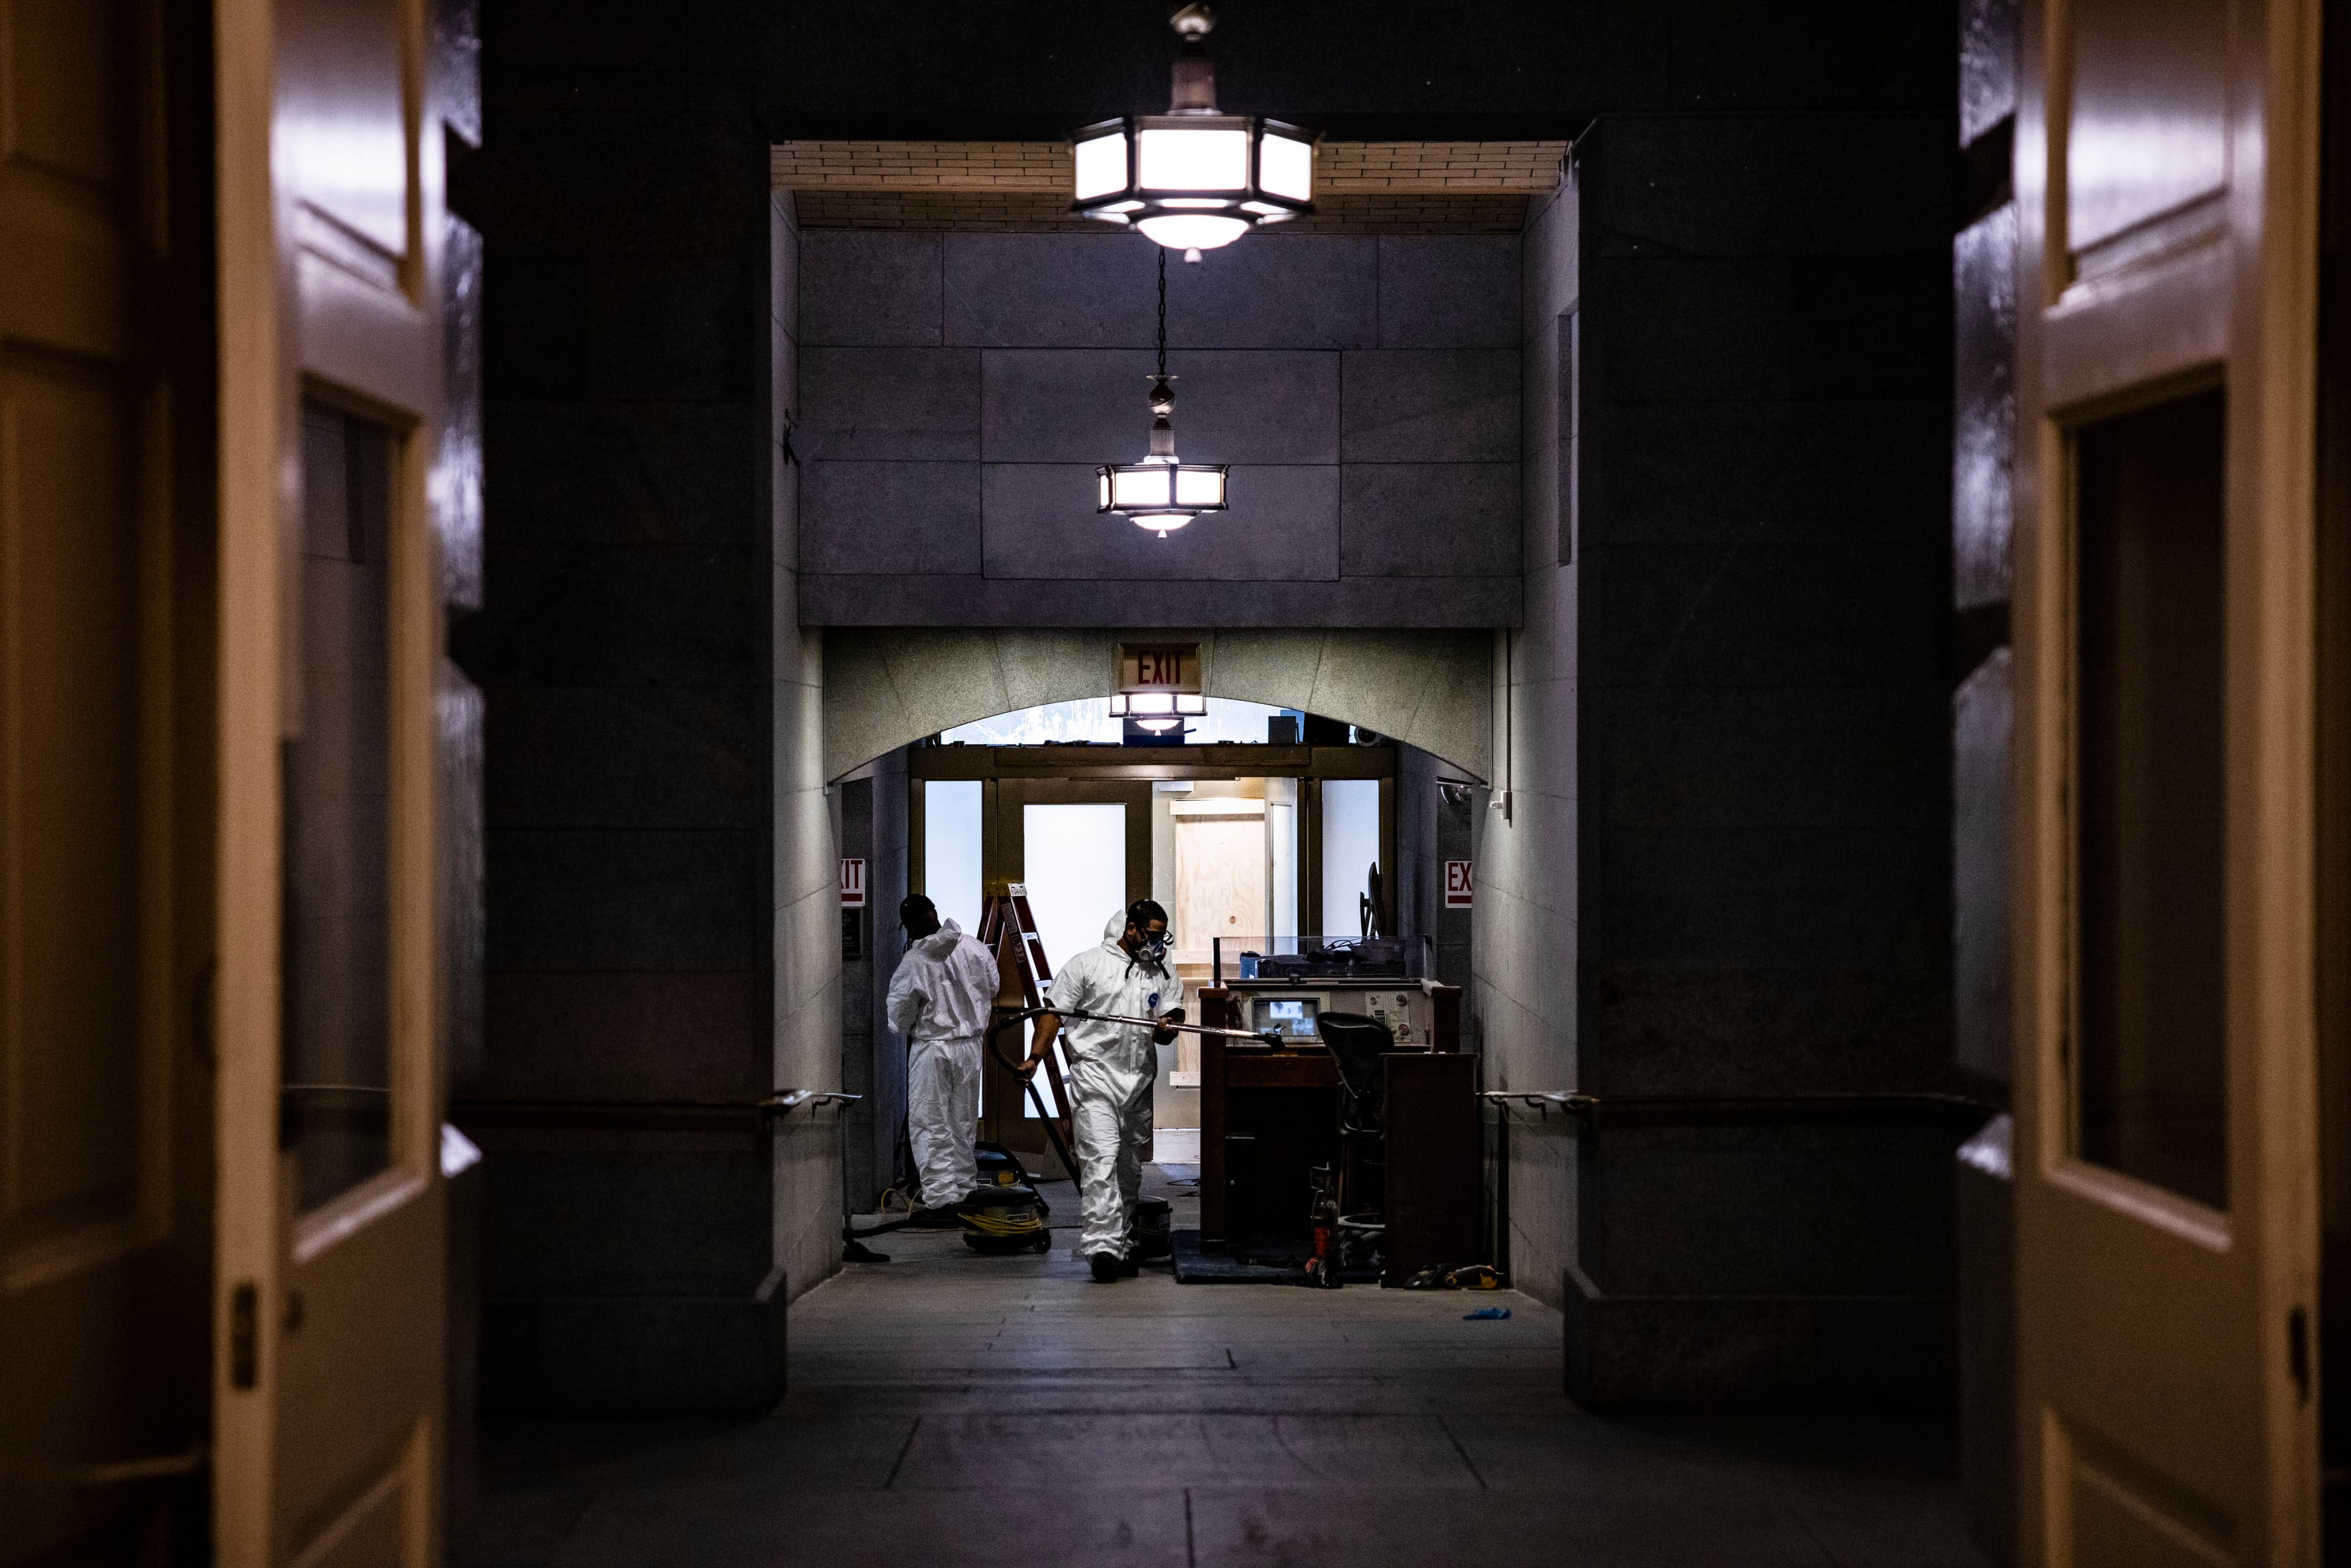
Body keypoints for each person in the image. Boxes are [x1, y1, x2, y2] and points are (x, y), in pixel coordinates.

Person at [1022, 901, 1183, 1281]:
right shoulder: (1087, 965)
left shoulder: (1161, 971)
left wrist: (1167, 1026)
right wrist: (1035, 1058)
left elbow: (1171, 1020)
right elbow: (1053, 1013)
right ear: (1131, 929)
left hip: (1138, 1082)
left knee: (1128, 1170)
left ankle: (1120, 1243)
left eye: (1162, 936)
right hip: (1095, 1078)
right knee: (1101, 1161)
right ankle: (1102, 1249)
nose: (1157, 943)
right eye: (1152, 935)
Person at [885, 895, 1002, 1224]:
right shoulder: (974, 948)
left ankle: (940, 1200)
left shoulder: (915, 962)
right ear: (934, 913)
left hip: (933, 1049)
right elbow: (993, 987)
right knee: (962, 1123)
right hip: (970, 1048)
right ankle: (964, 1191)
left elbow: (899, 1016)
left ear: (909, 926)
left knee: (930, 1123)